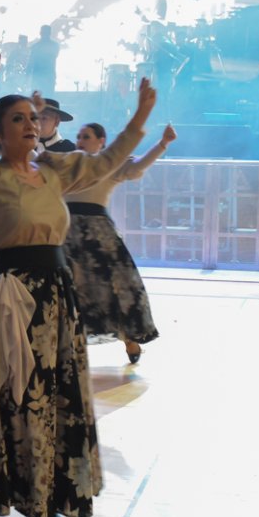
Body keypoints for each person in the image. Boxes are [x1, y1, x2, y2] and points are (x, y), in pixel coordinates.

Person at [0, 57, 156, 517]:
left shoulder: (55, 171)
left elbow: (107, 163)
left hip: (55, 295)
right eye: (19, 119)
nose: (31, 125)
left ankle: (45, 493)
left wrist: (139, 119)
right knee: (0, 393)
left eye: (33, 118)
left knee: (52, 396)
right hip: (10, 294)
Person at [65, 121, 176, 364]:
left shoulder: (108, 164)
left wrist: (163, 144)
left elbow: (138, 166)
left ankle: (129, 338)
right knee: (73, 290)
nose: (80, 141)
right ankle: (69, 343)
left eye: (86, 136)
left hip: (99, 236)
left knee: (117, 288)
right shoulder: (68, 164)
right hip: (67, 235)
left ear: (101, 141)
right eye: (79, 136)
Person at [28, 24, 60, 94]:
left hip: (47, 75)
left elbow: (31, 61)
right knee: (42, 95)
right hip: (40, 75)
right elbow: (31, 61)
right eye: (43, 32)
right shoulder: (54, 45)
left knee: (47, 95)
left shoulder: (36, 46)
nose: (44, 34)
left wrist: (28, 72)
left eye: (45, 32)